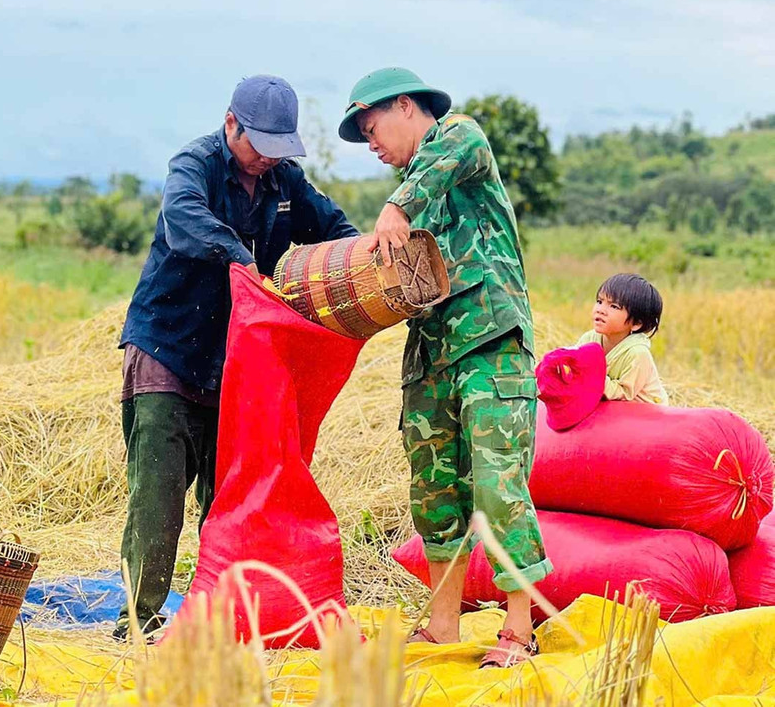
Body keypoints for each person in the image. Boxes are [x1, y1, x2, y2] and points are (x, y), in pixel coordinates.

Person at [115, 75, 358, 640]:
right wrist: (241, 259)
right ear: (231, 125)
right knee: (158, 497)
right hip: (167, 351)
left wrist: (356, 263)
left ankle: (217, 617)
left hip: (237, 364)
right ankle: (140, 622)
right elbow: (183, 222)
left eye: (279, 151)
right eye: (259, 147)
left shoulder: (284, 181)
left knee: (230, 497)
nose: (265, 161)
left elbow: (334, 229)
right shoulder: (193, 165)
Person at [339, 67, 552, 668]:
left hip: (489, 343)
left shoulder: (460, 141)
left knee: (497, 483)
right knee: (435, 490)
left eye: (371, 125)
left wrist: (397, 205)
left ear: (406, 106)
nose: (370, 141)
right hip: (430, 353)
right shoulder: (411, 191)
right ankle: (442, 624)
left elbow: (450, 153)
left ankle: (518, 628)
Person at [577, 273, 668, 405]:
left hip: (643, 412)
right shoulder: (589, 338)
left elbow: (623, 393)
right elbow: (574, 362)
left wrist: (591, 377)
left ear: (636, 323)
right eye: (599, 301)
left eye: (614, 306)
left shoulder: (637, 354)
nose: (601, 310)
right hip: (606, 403)